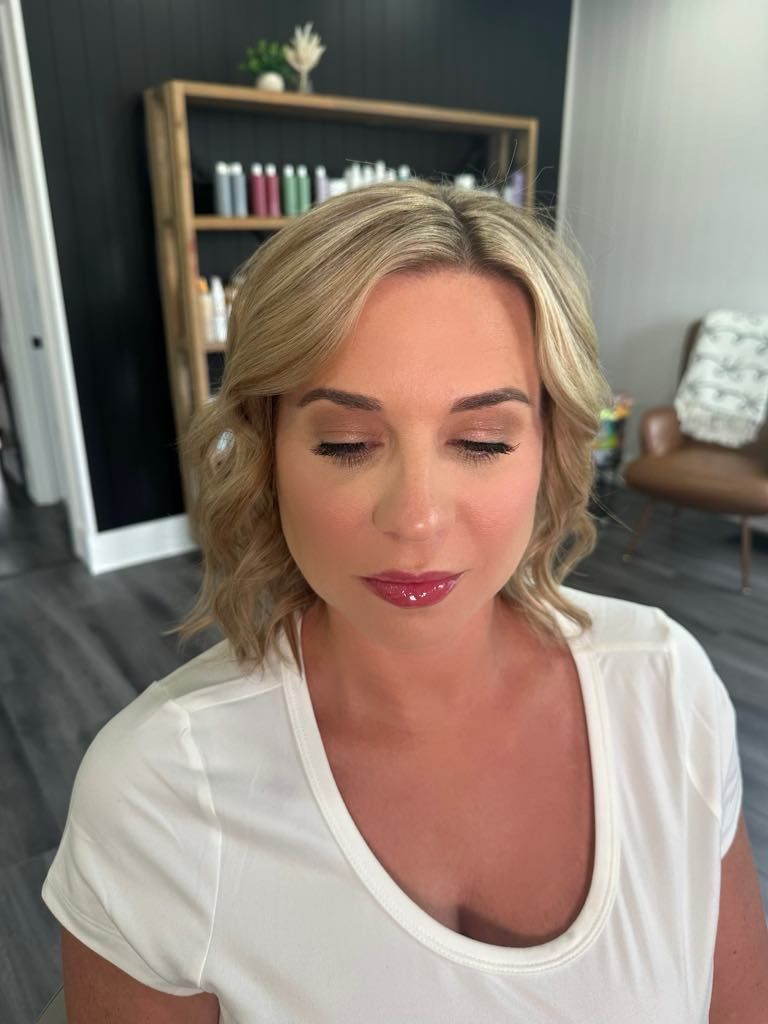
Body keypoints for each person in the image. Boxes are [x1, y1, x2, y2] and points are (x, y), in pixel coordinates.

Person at [42, 181, 768, 1022]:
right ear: (268, 451)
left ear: (550, 447)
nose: (415, 518)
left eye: (482, 440)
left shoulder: (670, 694)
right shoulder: (157, 796)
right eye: (348, 445)